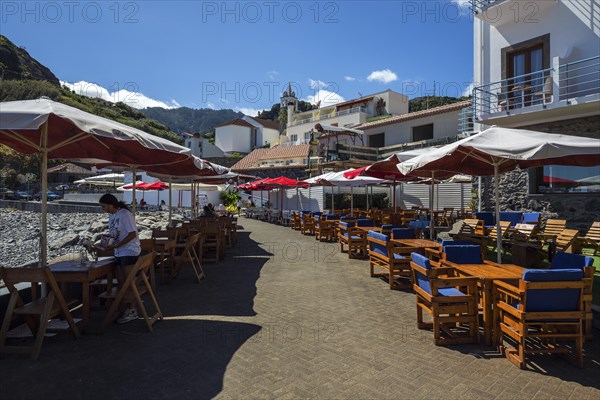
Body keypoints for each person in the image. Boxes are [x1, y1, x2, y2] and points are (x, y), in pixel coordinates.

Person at [98, 193, 141, 324]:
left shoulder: (125, 214)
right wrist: (104, 242)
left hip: (129, 251)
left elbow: (132, 233)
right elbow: (115, 234)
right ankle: (126, 307)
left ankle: (132, 310)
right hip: (119, 252)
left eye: (104, 206)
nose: (103, 209)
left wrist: (118, 245)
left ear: (111, 204)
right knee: (122, 282)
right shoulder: (112, 216)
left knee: (128, 282)